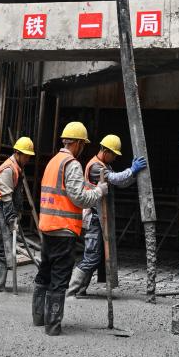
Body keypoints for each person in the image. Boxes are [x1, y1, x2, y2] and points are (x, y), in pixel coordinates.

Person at [34, 121, 108, 336]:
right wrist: (99, 192)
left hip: (48, 227)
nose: (83, 148)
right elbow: (79, 198)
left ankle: (39, 318)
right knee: (59, 279)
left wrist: (89, 187)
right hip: (64, 229)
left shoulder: (54, 162)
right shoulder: (72, 163)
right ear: (76, 143)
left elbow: (66, 189)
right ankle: (53, 326)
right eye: (82, 144)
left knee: (44, 274)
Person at [67, 133, 146, 297]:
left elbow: (121, 182)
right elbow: (115, 179)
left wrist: (133, 174)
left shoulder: (104, 165)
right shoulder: (96, 167)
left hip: (99, 217)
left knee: (93, 256)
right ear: (106, 151)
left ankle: (80, 290)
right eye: (114, 155)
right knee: (91, 257)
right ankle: (72, 290)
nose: (115, 158)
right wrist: (131, 170)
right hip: (93, 217)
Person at [0, 136, 35, 292]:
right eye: (26, 155)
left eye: (29, 155)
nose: (28, 159)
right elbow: (6, 199)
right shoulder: (8, 169)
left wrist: (17, 214)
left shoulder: (17, 168)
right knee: (2, 252)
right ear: (17, 152)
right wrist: (12, 219)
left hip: (2, 215)